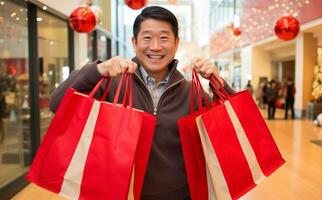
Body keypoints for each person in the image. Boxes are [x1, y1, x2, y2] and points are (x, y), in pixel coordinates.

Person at [49, 6, 234, 200]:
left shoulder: (192, 92)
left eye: (164, 38)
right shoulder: (113, 84)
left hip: (181, 195)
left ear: (176, 43)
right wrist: (96, 70)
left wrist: (218, 82)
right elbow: (58, 104)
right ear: (134, 42)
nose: (155, 46)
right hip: (120, 194)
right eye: (147, 38)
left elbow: (233, 131)